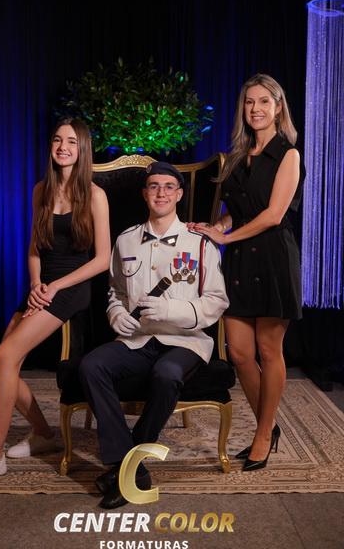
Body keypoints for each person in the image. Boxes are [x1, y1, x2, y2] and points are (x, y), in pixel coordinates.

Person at [0, 117, 111, 483]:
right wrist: (36, 283)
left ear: (83, 149)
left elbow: (102, 259)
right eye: (57, 140)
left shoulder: (95, 195)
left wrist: (55, 287)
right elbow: (35, 247)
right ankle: (44, 434)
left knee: (5, 356)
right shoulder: (41, 190)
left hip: (72, 287)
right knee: (0, 365)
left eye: (71, 141)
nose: (63, 147)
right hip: (43, 285)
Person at [79, 161, 229, 509]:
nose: (161, 193)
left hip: (185, 340)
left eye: (168, 187)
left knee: (167, 373)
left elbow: (217, 300)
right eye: (154, 186)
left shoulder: (200, 243)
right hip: (138, 338)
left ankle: (128, 464)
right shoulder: (126, 239)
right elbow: (116, 291)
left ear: (179, 194)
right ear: (145, 193)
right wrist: (116, 314)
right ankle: (128, 464)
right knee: (91, 366)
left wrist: (171, 310)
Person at [189, 73, 305, 472]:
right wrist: (215, 228)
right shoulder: (238, 155)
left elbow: (273, 215)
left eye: (263, 102)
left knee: (269, 351)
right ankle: (268, 426)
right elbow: (234, 212)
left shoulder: (288, 155)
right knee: (239, 352)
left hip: (273, 259)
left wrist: (227, 237)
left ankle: (262, 434)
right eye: (249, 102)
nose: (255, 109)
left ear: (278, 107)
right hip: (239, 259)